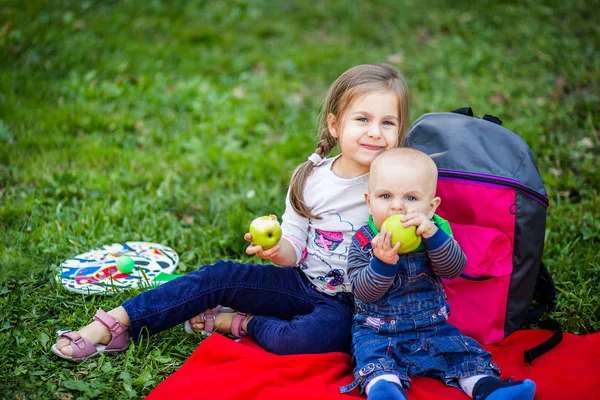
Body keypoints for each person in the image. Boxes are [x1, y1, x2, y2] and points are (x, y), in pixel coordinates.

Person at [51, 63, 411, 362]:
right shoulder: (311, 178)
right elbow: (295, 249)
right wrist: (275, 250)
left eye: (387, 123)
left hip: (356, 305)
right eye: (362, 119)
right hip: (303, 285)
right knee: (218, 276)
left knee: (308, 341)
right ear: (335, 125)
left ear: (400, 130)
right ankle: (116, 324)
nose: (375, 133)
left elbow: (427, 232)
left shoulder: (401, 180)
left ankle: (241, 323)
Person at [340, 148, 536, 400]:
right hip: (378, 331)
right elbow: (364, 292)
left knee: (464, 353)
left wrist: (434, 237)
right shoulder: (363, 242)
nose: (397, 206)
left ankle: (488, 389)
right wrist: (383, 263)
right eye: (385, 195)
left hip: (432, 328)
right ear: (369, 201)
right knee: (373, 359)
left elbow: (454, 268)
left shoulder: (437, 233)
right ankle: (385, 390)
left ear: (431, 207)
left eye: (411, 198)